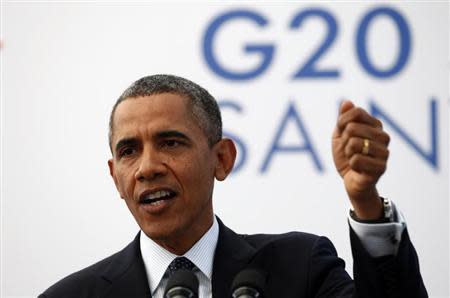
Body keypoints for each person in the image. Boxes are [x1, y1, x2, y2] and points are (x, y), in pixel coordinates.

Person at [39, 74, 427, 298]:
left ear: (221, 159)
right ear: (115, 178)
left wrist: (366, 202)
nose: (148, 167)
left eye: (170, 143)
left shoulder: (299, 268)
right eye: (129, 151)